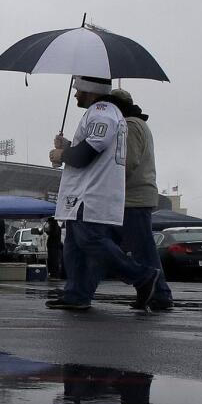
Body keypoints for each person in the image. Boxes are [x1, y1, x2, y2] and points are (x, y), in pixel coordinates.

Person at [46, 76, 160, 310]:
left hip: (92, 193)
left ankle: (141, 276)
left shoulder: (103, 112)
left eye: (78, 89)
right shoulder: (103, 113)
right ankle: (76, 294)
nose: (75, 94)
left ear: (90, 90)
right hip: (82, 194)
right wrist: (68, 145)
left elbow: (88, 152)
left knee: (91, 240)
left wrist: (62, 155)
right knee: (75, 244)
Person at [108, 88, 174, 310]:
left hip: (133, 198)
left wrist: (110, 182)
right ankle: (155, 292)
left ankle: (160, 293)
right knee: (140, 248)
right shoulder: (137, 124)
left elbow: (128, 162)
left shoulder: (131, 126)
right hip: (137, 196)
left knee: (141, 249)